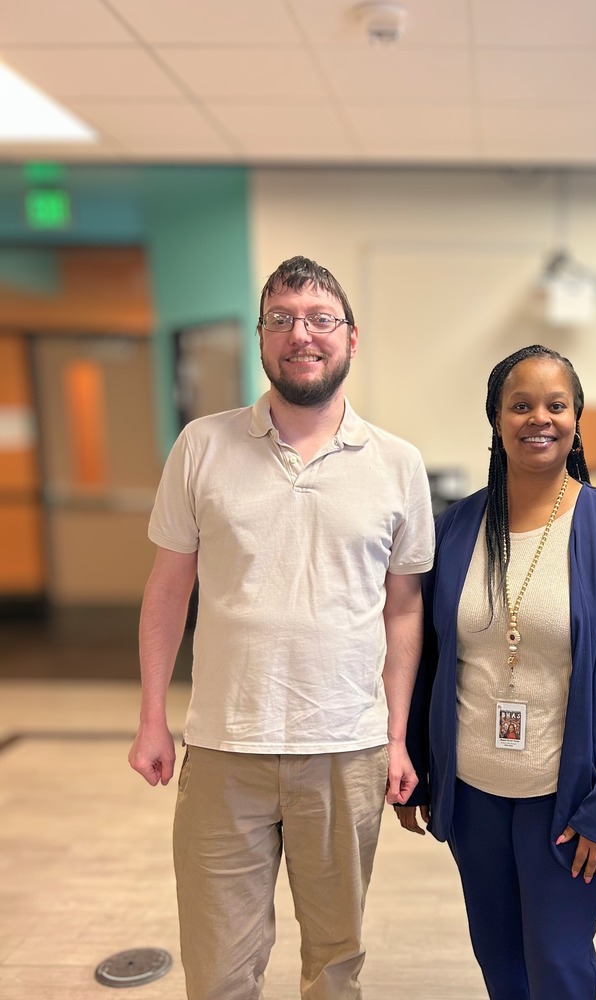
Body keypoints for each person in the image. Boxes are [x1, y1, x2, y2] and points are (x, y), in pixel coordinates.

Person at [128, 256, 435, 1000]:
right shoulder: (202, 445)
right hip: (224, 746)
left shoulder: (397, 463)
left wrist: (395, 736)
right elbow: (169, 587)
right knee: (218, 969)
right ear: (263, 339)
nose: (301, 334)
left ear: (350, 339)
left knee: (334, 965)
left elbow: (403, 607)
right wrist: (151, 720)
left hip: (344, 748)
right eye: (282, 319)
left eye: (319, 319)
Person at [395, 344, 596, 999]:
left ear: (576, 416)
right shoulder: (457, 526)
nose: (537, 418)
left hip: (570, 800)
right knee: (499, 959)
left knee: (559, 964)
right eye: (520, 404)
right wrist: (416, 768)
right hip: (473, 793)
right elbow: (428, 655)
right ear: (495, 417)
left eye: (555, 404)